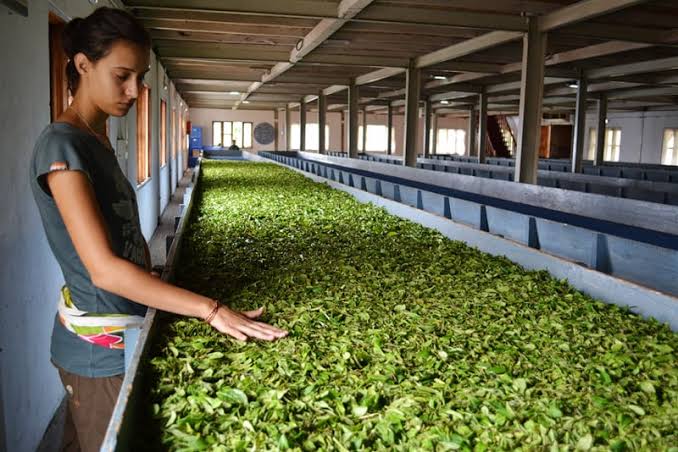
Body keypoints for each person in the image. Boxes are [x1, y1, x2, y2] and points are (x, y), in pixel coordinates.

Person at [29, 8, 287, 452]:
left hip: (129, 329)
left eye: (140, 77)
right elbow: (104, 271)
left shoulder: (98, 138)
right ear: (83, 65)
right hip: (101, 350)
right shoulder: (63, 146)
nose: (134, 91)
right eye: (122, 75)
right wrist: (210, 309)